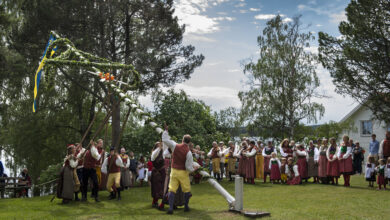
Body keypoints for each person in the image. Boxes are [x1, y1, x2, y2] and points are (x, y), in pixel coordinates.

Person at [162, 127, 199, 215]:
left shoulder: (175, 145)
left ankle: (171, 208)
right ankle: (186, 206)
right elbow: (188, 167)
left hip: (174, 171)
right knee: (186, 190)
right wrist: (194, 169)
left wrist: (166, 131)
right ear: (189, 142)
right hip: (183, 173)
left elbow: (164, 139)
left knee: (172, 189)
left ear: (182, 139)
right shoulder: (188, 152)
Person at [150, 142, 166, 210]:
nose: (160, 146)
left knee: (163, 187)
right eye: (159, 145)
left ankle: (163, 202)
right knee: (156, 187)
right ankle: (154, 202)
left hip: (162, 171)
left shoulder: (164, 152)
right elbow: (153, 159)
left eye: (161, 145)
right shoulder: (154, 153)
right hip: (155, 172)